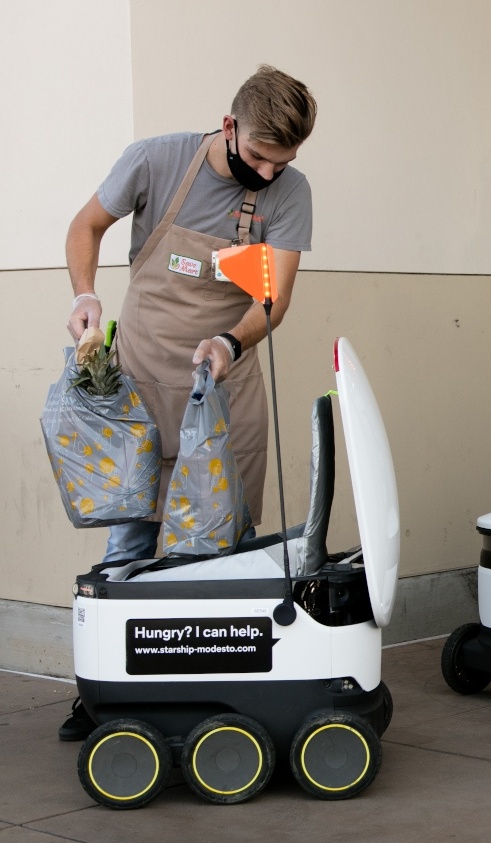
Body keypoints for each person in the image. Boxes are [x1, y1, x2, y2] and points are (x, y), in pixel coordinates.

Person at [59, 65, 317, 741]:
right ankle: (105, 698)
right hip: (143, 385)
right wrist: (84, 294)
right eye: (258, 155)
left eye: (282, 161)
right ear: (229, 126)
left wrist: (231, 341)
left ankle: (212, 698)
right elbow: (86, 226)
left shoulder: (289, 193)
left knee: (220, 551)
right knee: (131, 545)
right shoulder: (157, 159)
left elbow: (275, 300)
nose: (268, 172)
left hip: (222, 391)